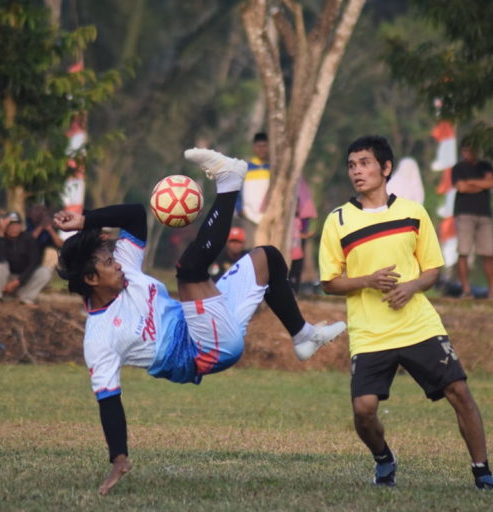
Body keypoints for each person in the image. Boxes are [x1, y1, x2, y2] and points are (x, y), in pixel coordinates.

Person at [53, 148, 346, 496]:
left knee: (266, 258)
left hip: (204, 319)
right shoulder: (99, 338)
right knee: (189, 270)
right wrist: (119, 457)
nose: (117, 264)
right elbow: (109, 401)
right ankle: (228, 182)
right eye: (106, 263)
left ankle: (303, 336)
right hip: (201, 350)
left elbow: (134, 214)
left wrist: (86, 219)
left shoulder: (125, 267)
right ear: (90, 280)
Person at [318, 135, 493, 491]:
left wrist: (412, 286)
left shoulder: (413, 213)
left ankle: (483, 472)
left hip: (418, 325)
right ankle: (384, 460)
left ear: (385, 168)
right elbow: (329, 282)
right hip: (370, 331)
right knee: (364, 409)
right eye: (352, 165)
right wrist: (368, 280)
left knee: (460, 392)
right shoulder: (337, 220)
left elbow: (432, 269)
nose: (357, 171)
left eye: (365, 163)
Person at [451, 140, 493, 298]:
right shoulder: (458, 168)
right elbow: (461, 187)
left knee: (488, 253)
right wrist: (481, 185)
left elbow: (492, 183)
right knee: (463, 251)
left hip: (484, 214)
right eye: (465, 150)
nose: (468, 153)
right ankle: (466, 289)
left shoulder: (486, 166)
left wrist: (471, 182)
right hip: (464, 214)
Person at [0, 211, 53, 306]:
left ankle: (26, 298)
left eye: (16, 225)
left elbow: (34, 263)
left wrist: (18, 282)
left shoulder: (29, 239)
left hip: (22, 279)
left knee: (45, 271)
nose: (14, 228)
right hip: (5, 278)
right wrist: (1, 232)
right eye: (10, 225)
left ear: (21, 226)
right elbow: (0, 257)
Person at [288, 177, 317, 292]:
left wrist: (306, 234)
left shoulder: (300, 220)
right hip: (289, 250)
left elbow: (302, 232)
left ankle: (295, 290)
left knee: (296, 269)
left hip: (297, 250)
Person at [26, 203, 64, 268]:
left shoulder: (51, 226)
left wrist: (50, 229)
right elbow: (28, 241)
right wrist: (41, 226)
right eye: (37, 210)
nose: (40, 213)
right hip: (28, 254)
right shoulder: (27, 223)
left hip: (43, 256)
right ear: (30, 213)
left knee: (51, 252)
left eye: (43, 210)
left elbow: (60, 244)